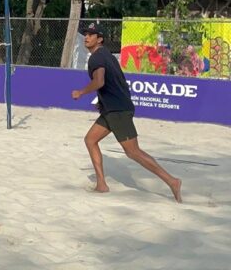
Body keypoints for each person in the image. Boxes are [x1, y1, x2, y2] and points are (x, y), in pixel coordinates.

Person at [72, 23, 182, 202]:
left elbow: (99, 81)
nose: (86, 37)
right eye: (86, 34)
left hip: (118, 110)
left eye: (91, 34)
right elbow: (115, 82)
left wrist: (81, 92)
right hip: (112, 108)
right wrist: (102, 102)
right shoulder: (106, 54)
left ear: (99, 39)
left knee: (133, 152)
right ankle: (101, 184)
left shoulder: (96, 58)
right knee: (90, 140)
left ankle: (172, 181)